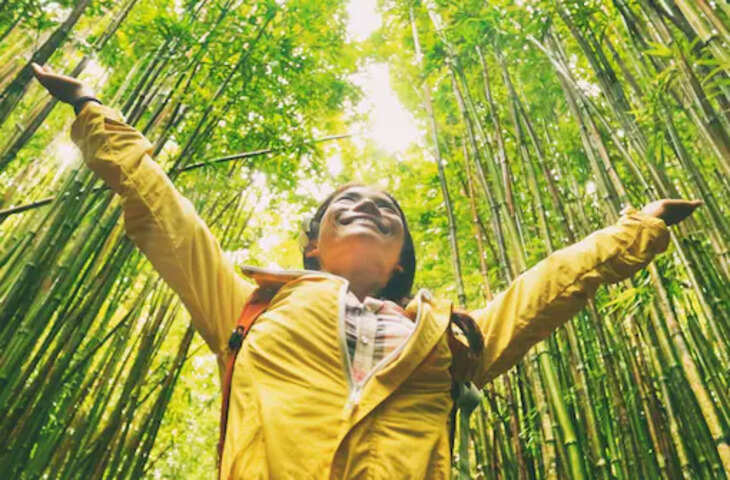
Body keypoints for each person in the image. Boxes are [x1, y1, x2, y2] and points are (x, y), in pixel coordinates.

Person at [32, 63, 701, 479]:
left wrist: (638, 229)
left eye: (386, 209)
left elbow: (549, 286)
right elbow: (163, 212)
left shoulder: (454, 337)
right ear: (312, 247)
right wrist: (92, 110)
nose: (366, 206)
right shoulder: (247, 306)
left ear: (401, 257)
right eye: (344, 204)